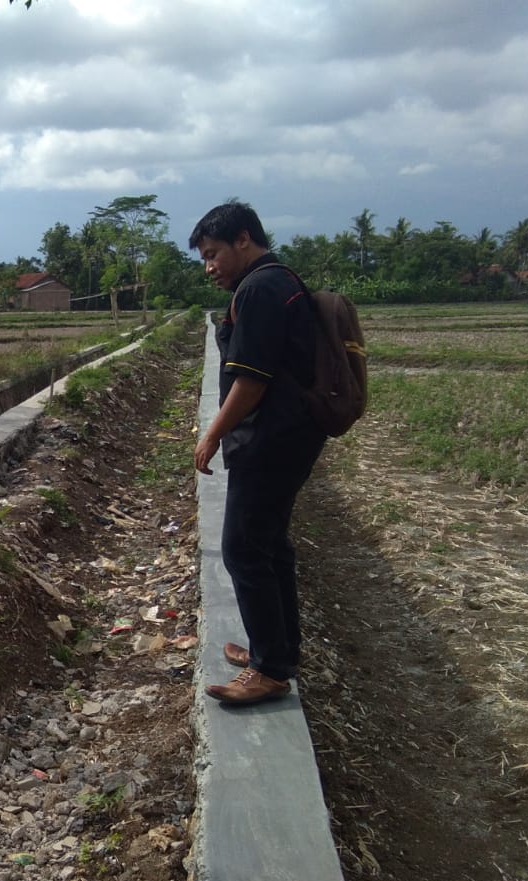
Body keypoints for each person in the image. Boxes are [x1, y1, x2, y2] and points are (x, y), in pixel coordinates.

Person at [189, 201, 326, 706]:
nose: (209, 267)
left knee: (244, 549)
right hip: (285, 437)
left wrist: (211, 435)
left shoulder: (261, 288)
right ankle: (276, 649)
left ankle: (270, 671)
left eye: (212, 254)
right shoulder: (275, 281)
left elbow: (251, 380)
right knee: (270, 547)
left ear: (242, 239)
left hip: (270, 439)